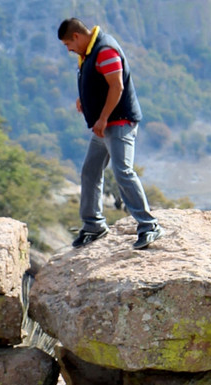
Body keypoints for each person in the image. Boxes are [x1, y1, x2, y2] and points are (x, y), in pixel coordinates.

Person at [58, 18, 163, 250]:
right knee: (90, 171)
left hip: (117, 122)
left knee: (123, 171)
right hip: (103, 125)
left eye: (68, 44)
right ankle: (93, 224)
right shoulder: (90, 51)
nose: (68, 49)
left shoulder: (104, 50)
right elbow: (99, 83)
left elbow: (117, 86)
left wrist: (104, 118)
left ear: (76, 36)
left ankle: (149, 225)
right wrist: (84, 99)